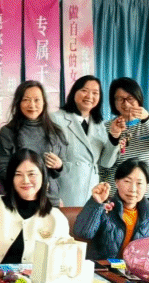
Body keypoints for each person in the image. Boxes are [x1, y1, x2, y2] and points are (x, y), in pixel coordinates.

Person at [0, 149, 69, 264]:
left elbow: (64, 257)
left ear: (43, 176)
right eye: (18, 174)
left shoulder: (56, 217)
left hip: (35, 275)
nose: (26, 180)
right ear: (11, 178)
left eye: (32, 174)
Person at [51, 75, 123, 207]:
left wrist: (114, 136)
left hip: (91, 189)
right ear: (74, 92)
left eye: (95, 93)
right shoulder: (56, 119)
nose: (90, 96)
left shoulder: (99, 124)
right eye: (84, 90)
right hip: (65, 188)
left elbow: (106, 163)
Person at [101, 77, 149, 208]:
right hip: (118, 192)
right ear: (113, 102)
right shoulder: (107, 127)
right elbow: (106, 164)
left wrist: (147, 119)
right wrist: (114, 137)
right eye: (120, 99)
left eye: (130, 98)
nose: (126, 103)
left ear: (138, 98)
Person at [73, 159, 149, 260]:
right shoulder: (104, 209)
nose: (133, 189)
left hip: (135, 270)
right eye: (127, 181)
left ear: (147, 186)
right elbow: (82, 233)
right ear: (116, 182)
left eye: (139, 183)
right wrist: (96, 202)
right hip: (104, 268)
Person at [0, 80, 67, 204]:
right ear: (18, 103)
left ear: (44, 102)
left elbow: (65, 167)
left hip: (50, 199)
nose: (32, 105)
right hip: (19, 199)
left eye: (37, 100)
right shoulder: (8, 132)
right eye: (26, 100)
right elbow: (2, 169)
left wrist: (59, 166)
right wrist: (28, 185)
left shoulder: (56, 131)